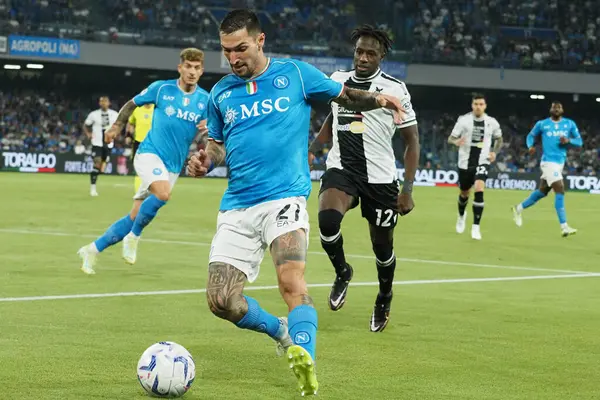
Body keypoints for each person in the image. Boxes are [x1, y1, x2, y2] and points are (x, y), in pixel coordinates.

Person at [186, 9, 407, 397]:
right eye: (226, 51)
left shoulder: (296, 75)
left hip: (284, 199)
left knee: (292, 282)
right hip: (237, 205)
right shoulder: (220, 93)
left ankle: (305, 358)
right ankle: (283, 333)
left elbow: (344, 95)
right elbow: (217, 146)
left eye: (240, 48)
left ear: (260, 40)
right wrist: (206, 158)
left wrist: (380, 100)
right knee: (222, 301)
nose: (233, 58)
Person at [308, 25, 420, 333]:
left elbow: (412, 140)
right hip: (342, 170)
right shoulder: (337, 81)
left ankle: (384, 296)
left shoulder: (395, 89)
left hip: (381, 179)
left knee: (382, 248)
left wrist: (407, 190)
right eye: (359, 51)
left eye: (371, 53)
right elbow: (333, 115)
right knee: (328, 221)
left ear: (382, 55)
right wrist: (314, 149)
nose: (363, 57)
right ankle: (342, 271)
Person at [77, 48, 209, 274]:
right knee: (163, 194)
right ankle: (134, 237)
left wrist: (209, 131)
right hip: (149, 153)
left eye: (197, 68)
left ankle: (92, 249)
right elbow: (131, 104)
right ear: (180, 67)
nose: (192, 71)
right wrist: (117, 126)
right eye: (188, 66)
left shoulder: (205, 100)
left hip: (173, 165)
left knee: (135, 216)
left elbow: (208, 135)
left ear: (202, 71)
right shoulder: (161, 89)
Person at [512, 101, 582, 237]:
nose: (556, 109)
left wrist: (569, 141)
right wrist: (530, 146)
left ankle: (517, 208)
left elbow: (579, 141)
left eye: (559, 107)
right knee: (560, 189)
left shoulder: (569, 124)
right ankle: (564, 226)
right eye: (554, 107)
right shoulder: (542, 124)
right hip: (548, 162)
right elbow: (530, 136)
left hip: (560, 162)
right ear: (550, 109)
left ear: (562, 110)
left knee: (542, 192)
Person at [448, 94, 502, 240]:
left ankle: (476, 227)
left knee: (479, 188)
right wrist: (457, 141)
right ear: (472, 105)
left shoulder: (491, 122)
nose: (478, 106)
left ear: (485, 106)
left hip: (482, 161)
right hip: (465, 162)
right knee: (464, 193)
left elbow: (499, 138)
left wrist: (494, 152)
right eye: (476, 104)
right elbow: (451, 138)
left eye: (481, 104)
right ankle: (461, 216)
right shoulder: (463, 120)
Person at [83, 96, 118, 196]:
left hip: (109, 144)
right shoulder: (93, 114)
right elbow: (85, 125)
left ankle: (98, 172)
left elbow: (119, 125)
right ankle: (93, 189)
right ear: (99, 103)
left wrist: (115, 133)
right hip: (97, 143)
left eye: (105, 101)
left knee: (102, 169)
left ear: (109, 103)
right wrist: (88, 134)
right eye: (101, 101)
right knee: (96, 163)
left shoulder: (114, 114)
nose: (103, 103)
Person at [127, 104, 155, 192]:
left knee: (152, 168)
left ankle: (149, 190)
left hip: (153, 143)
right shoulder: (137, 109)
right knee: (138, 169)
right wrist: (128, 135)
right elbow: (130, 123)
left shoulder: (157, 108)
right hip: (138, 142)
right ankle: (138, 192)